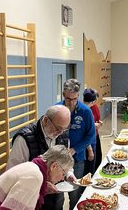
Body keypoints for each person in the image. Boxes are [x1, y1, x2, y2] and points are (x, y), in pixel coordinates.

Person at [7, 105, 74, 210]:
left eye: (65, 129)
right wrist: (42, 185)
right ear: (46, 120)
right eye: (58, 128)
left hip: (56, 197)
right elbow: (13, 174)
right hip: (33, 200)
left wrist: (69, 173)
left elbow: (65, 162)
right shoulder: (24, 139)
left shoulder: (63, 136)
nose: (60, 133)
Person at [0, 145, 74, 210]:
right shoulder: (34, 177)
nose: (62, 178)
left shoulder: (32, 167)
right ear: (54, 166)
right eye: (63, 173)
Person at [56, 78, 95, 210]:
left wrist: (75, 149)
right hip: (58, 160)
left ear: (78, 96)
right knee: (57, 195)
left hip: (77, 159)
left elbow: (91, 135)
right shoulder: (56, 109)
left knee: (75, 194)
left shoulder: (85, 111)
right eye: (68, 99)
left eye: (75, 99)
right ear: (63, 94)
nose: (72, 103)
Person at [83, 88, 103, 174]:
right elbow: (85, 129)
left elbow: (96, 118)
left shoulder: (94, 107)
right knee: (90, 161)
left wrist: (97, 123)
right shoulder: (84, 110)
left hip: (95, 135)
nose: (95, 103)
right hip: (89, 139)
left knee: (97, 158)